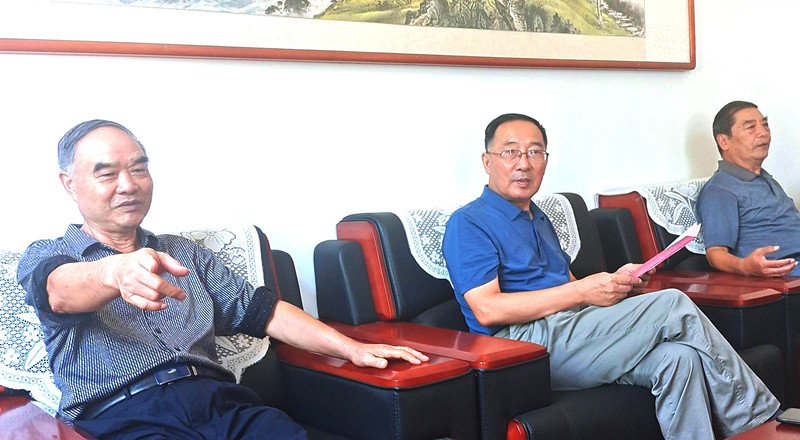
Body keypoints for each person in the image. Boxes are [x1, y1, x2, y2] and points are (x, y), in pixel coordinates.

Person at [16, 119, 429, 439]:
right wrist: (114, 271)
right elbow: (59, 291)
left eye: (139, 169)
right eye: (107, 174)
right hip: (124, 416)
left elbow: (265, 313)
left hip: (221, 404)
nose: (128, 185)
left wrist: (351, 348)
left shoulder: (185, 253)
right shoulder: (50, 255)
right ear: (70, 184)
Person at [441, 113, 779, 440]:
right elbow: (487, 309)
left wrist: (617, 284)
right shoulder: (468, 223)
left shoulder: (538, 218)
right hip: (523, 346)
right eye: (510, 152)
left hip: (570, 329)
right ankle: (757, 423)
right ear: (487, 161)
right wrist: (583, 292)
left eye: (535, 152)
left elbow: (569, 288)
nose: (524, 163)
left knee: (679, 358)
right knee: (672, 304)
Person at [695, 100, 800, 277]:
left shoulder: (764, 178)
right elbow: (716, 253)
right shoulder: (720, 189)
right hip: (783, 273)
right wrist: (745, 266)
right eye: (751, 127)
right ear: (724, 141)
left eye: (765, 125)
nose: (763, 133)